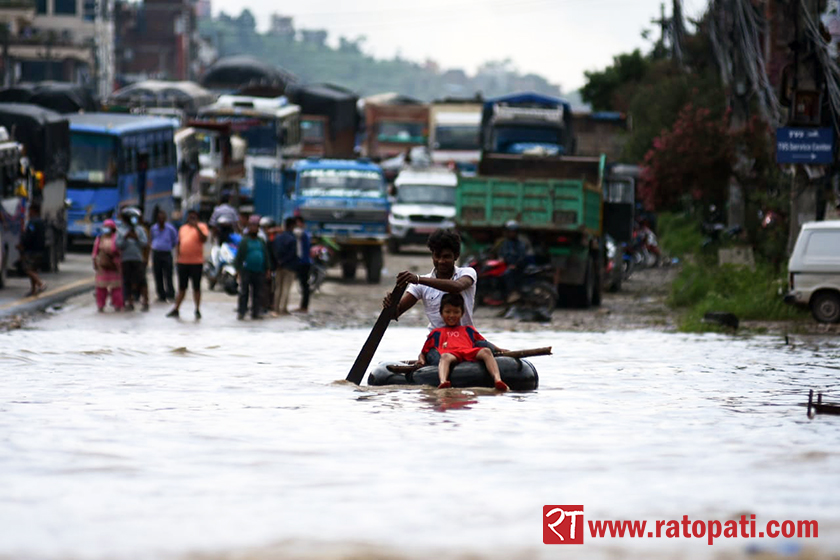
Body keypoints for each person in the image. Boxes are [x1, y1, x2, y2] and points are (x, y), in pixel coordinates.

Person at [418, 293, 509, 392]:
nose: (452, 315)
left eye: (456, 312)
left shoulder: (468, 330)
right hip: (451, 354)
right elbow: (424, 352)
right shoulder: (436, 333)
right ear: (441, 313)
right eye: (447, 312)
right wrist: (421, 360)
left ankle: (497, 379)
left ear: (462, 313)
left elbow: (484, 342)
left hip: (468, 351)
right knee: (445, 357)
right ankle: (443, 381)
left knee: (486, 351)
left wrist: (499, 349)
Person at [167, 210, 209, 319]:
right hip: (183, 262)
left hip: (197, 262)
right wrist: (177, 257)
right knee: (182, 288)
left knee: (196, 288)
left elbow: (204, 239)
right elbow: (179, 243)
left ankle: (197, 309)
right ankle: (176, 308)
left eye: (194, 217)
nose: (192, 219)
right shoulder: (182, 229)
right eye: (190, 217)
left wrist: (197, 227)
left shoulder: (202, 227)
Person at [234, 214, 272, 320]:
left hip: (259, 271)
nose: (254, 228)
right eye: (252, 226)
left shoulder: (261, 241)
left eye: (256, 226)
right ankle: (242, 311)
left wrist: (268, 269)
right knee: (244, 292)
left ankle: (256, 312)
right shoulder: (245, 241)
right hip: (246, 270)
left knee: (258, 293)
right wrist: (237, 270)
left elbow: (265, 255)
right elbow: (239, 256)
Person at [116, 207, 149, 312]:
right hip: (126, 259)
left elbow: (144, 243)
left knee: (142, 280)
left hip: (138, 259)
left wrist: (136, 238)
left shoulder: (140, 230)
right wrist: (125, 238)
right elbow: (118, 244)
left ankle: (145, 301)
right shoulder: (121, 230)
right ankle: (129, 302)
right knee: (127, 281)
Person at [493, 220, 534, 301]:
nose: (510, 234)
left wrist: (515, 264)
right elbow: (500, 253)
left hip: (517, 267)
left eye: (512, 232)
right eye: (509, 232)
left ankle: (513, 293)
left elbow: (522, 257)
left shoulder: (520, 244)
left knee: (507, 274)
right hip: (505, 265)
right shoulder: (505, 243)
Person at [92, 219, 123, 312]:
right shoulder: (99, 238)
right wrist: (94, 262)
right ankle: (100, 305)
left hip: (115, 266)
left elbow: (120, 250)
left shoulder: (117, 238)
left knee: (116, 287)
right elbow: (95, 252)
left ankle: (117, 304)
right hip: (103, 266)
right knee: (101, 287)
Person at [17, 203, 47, 296]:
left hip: (32, 250)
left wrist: (22, 244)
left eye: (29, 210)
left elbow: (29, 236)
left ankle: (40, 283)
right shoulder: (41, 222)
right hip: (40, 249)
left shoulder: (33, 222)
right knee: (34, 269)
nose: (28, 212)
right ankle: (33, 290)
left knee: (27, 269)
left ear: (33, 211)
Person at [271, 217, 298, 316]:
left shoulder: (278, 237)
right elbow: (292, 254)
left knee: (278, 288)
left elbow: (274, 251)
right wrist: (284, 261)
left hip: (278, 266)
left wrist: (278, 262)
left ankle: (276, 308)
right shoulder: (293, 239)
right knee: (286, 288)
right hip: (289, 266)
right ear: (292, 226)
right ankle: (284, 308)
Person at [150, 210, 178, 302]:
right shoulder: (153, 228)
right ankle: (161, 294)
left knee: (168, 274)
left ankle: (170, 293)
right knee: (158, 274)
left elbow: (175, 241)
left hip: (166, 253)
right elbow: (151, 239)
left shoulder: (170, 229)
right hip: (157, 253)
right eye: (159, 218)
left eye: (162, 218)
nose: (161, 220)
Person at [293, 216, 312, 313]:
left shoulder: (301, 233)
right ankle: (304, 306)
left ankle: (304, 307)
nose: (296, 225)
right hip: (306, 262)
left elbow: (292, 232)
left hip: (303, 262)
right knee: (304, 285)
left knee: (304, 285)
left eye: (297, 223)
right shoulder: (307, 234)